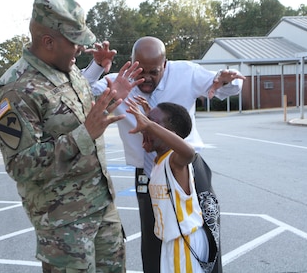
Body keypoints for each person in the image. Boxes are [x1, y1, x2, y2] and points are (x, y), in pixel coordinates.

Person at [0, 0, 143, 272]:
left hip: (101, 206)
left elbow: (84, 121)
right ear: (48, 41)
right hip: (64, 226)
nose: (81, 49)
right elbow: (20, 165)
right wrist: (85, 134)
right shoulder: (15, 91)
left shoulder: (69, 71)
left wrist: (111, 100)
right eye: (75, 42)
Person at [89, 36, 245, 272]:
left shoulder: (186, 73)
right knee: (154, 237)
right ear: (131, 62)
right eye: (141, 71)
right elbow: (76, 97)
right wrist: (97, 69)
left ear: (165, 64)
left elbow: (228, 87)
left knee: (206, 233)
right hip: (148, 173)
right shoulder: (116, 83)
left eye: (154, 71)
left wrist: (225, 79)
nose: (147, 78)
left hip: (188, 166)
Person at [126, 99, 207, 272]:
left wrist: (150, 125)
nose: (144, 127)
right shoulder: (159, 159)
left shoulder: (175, 160)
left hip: (184, 240)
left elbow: (189, 152)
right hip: (172, 241)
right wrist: (150, 118)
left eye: (151, 124)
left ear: (169, 133)